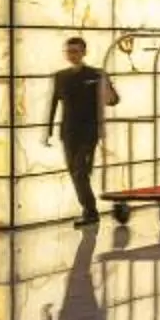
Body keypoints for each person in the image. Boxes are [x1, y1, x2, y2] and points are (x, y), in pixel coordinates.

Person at [45, 35, 120, 225]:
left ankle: (90, 211)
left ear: (84, 52)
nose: (72, 55)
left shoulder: (96, 74)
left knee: (80, 171)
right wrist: (48, 131)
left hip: (89, 131)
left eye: (76, 51)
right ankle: (89, 209)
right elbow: (53, 103)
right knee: (76, 171)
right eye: (69, 51)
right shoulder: (60, 77)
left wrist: (108, 91)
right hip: (69, 132)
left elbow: (113, 100)